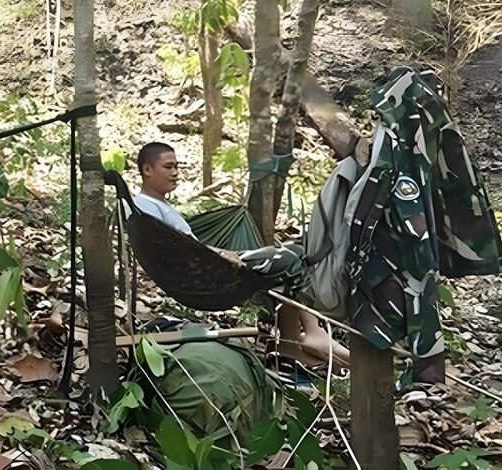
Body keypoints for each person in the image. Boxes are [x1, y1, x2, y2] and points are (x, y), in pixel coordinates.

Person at [134, 141, 350, 369]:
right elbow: (174, 248)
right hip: (203, 275)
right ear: (147, 170)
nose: (176, 173)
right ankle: (301, 338)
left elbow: (179, 245)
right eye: (168, 167)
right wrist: (218, 254)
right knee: (290, 258)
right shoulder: (144, 207)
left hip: (202, 267)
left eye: (177, 166)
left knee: (292, 254)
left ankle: (301, 336)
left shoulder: (156, 205)